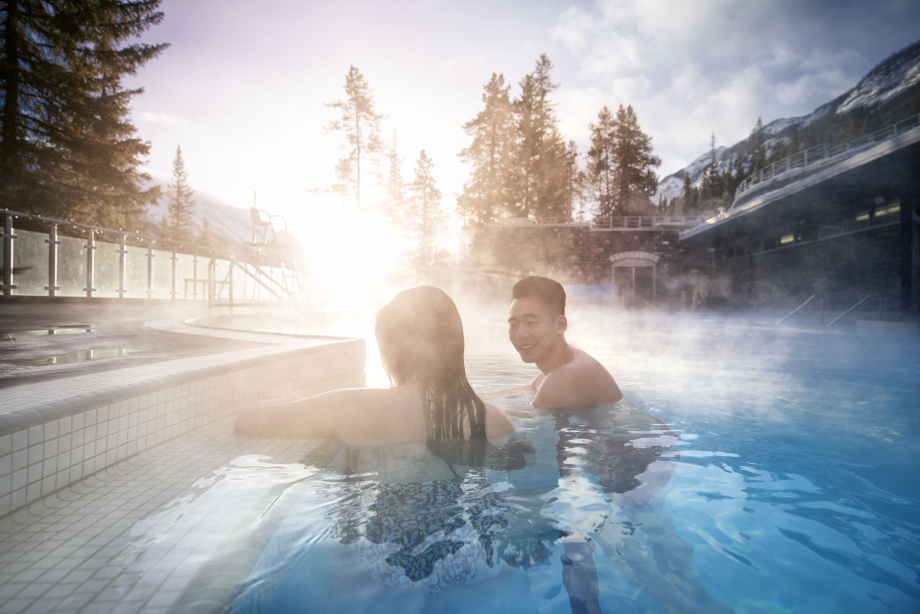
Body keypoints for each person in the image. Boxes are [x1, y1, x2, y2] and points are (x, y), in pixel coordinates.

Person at [235, 286, 514, 445]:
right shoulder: (494, 421)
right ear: (455, 347)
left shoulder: (351, 407)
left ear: (392, 349)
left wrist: (286, 401)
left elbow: (247, 421)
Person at [508, 276, 623, 408]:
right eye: (513, 324)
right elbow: (515, 394)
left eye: (531, 323)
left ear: (560, 325)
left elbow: (513, 420)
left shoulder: (567, 377)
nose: (520, 334)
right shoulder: (546, 377)